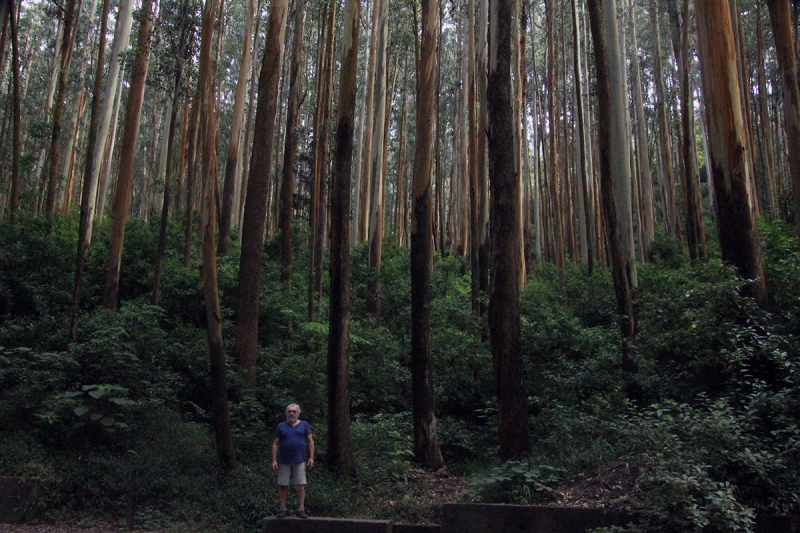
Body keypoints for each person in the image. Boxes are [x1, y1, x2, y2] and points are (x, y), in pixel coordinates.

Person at [272, 403, 314, 519]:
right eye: (289, 411)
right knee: (283, 485)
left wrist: (311, 457)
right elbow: (275, 444)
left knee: (300, 485)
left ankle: (301, 509)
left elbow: (310, 441)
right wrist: (274, 460)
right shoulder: (281, 426)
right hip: (284, 460)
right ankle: (282, 509)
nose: (291, 413)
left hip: (300, 460)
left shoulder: (304, 425)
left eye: (294, 411)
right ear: (286, 413)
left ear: (298, 413)